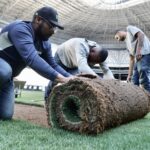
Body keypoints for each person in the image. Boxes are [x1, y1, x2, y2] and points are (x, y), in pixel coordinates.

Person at [0, 6, 74, 120]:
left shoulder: (45, 44)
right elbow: (32, 59)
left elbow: (53, 65)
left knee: (5, 115)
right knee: (5, 71)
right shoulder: (20, 29)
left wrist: (72, 77)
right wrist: (62, 79)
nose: (53, 32)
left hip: (7, 79)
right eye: (51, 26)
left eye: (55, 28)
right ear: (38, 20)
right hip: (3, 72)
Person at [45, 38, 114, 99]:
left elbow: (106, 70)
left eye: (97, 62)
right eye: (94, 60)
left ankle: (68, 100)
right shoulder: (81, 45)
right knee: (55, 80)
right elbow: (83, 67)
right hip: (61, 57)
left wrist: (113, 83)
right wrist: (99, 81)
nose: (94, 63)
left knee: (74, 81)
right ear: (92, 51)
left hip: (73, 64)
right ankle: (47, 98)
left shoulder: (100, 54)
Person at [115, 25, 150, 92]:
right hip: (138, 59)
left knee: (143, 72)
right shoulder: (127, 45)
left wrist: (138, 50)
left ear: (119, 32)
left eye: (117, 38)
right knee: (134, 79)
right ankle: (136, 95)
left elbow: (141, 35)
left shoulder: (129, 29)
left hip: (146, 53)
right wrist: (129, 75)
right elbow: (131, 59)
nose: (118, 41)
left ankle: (148, 95)